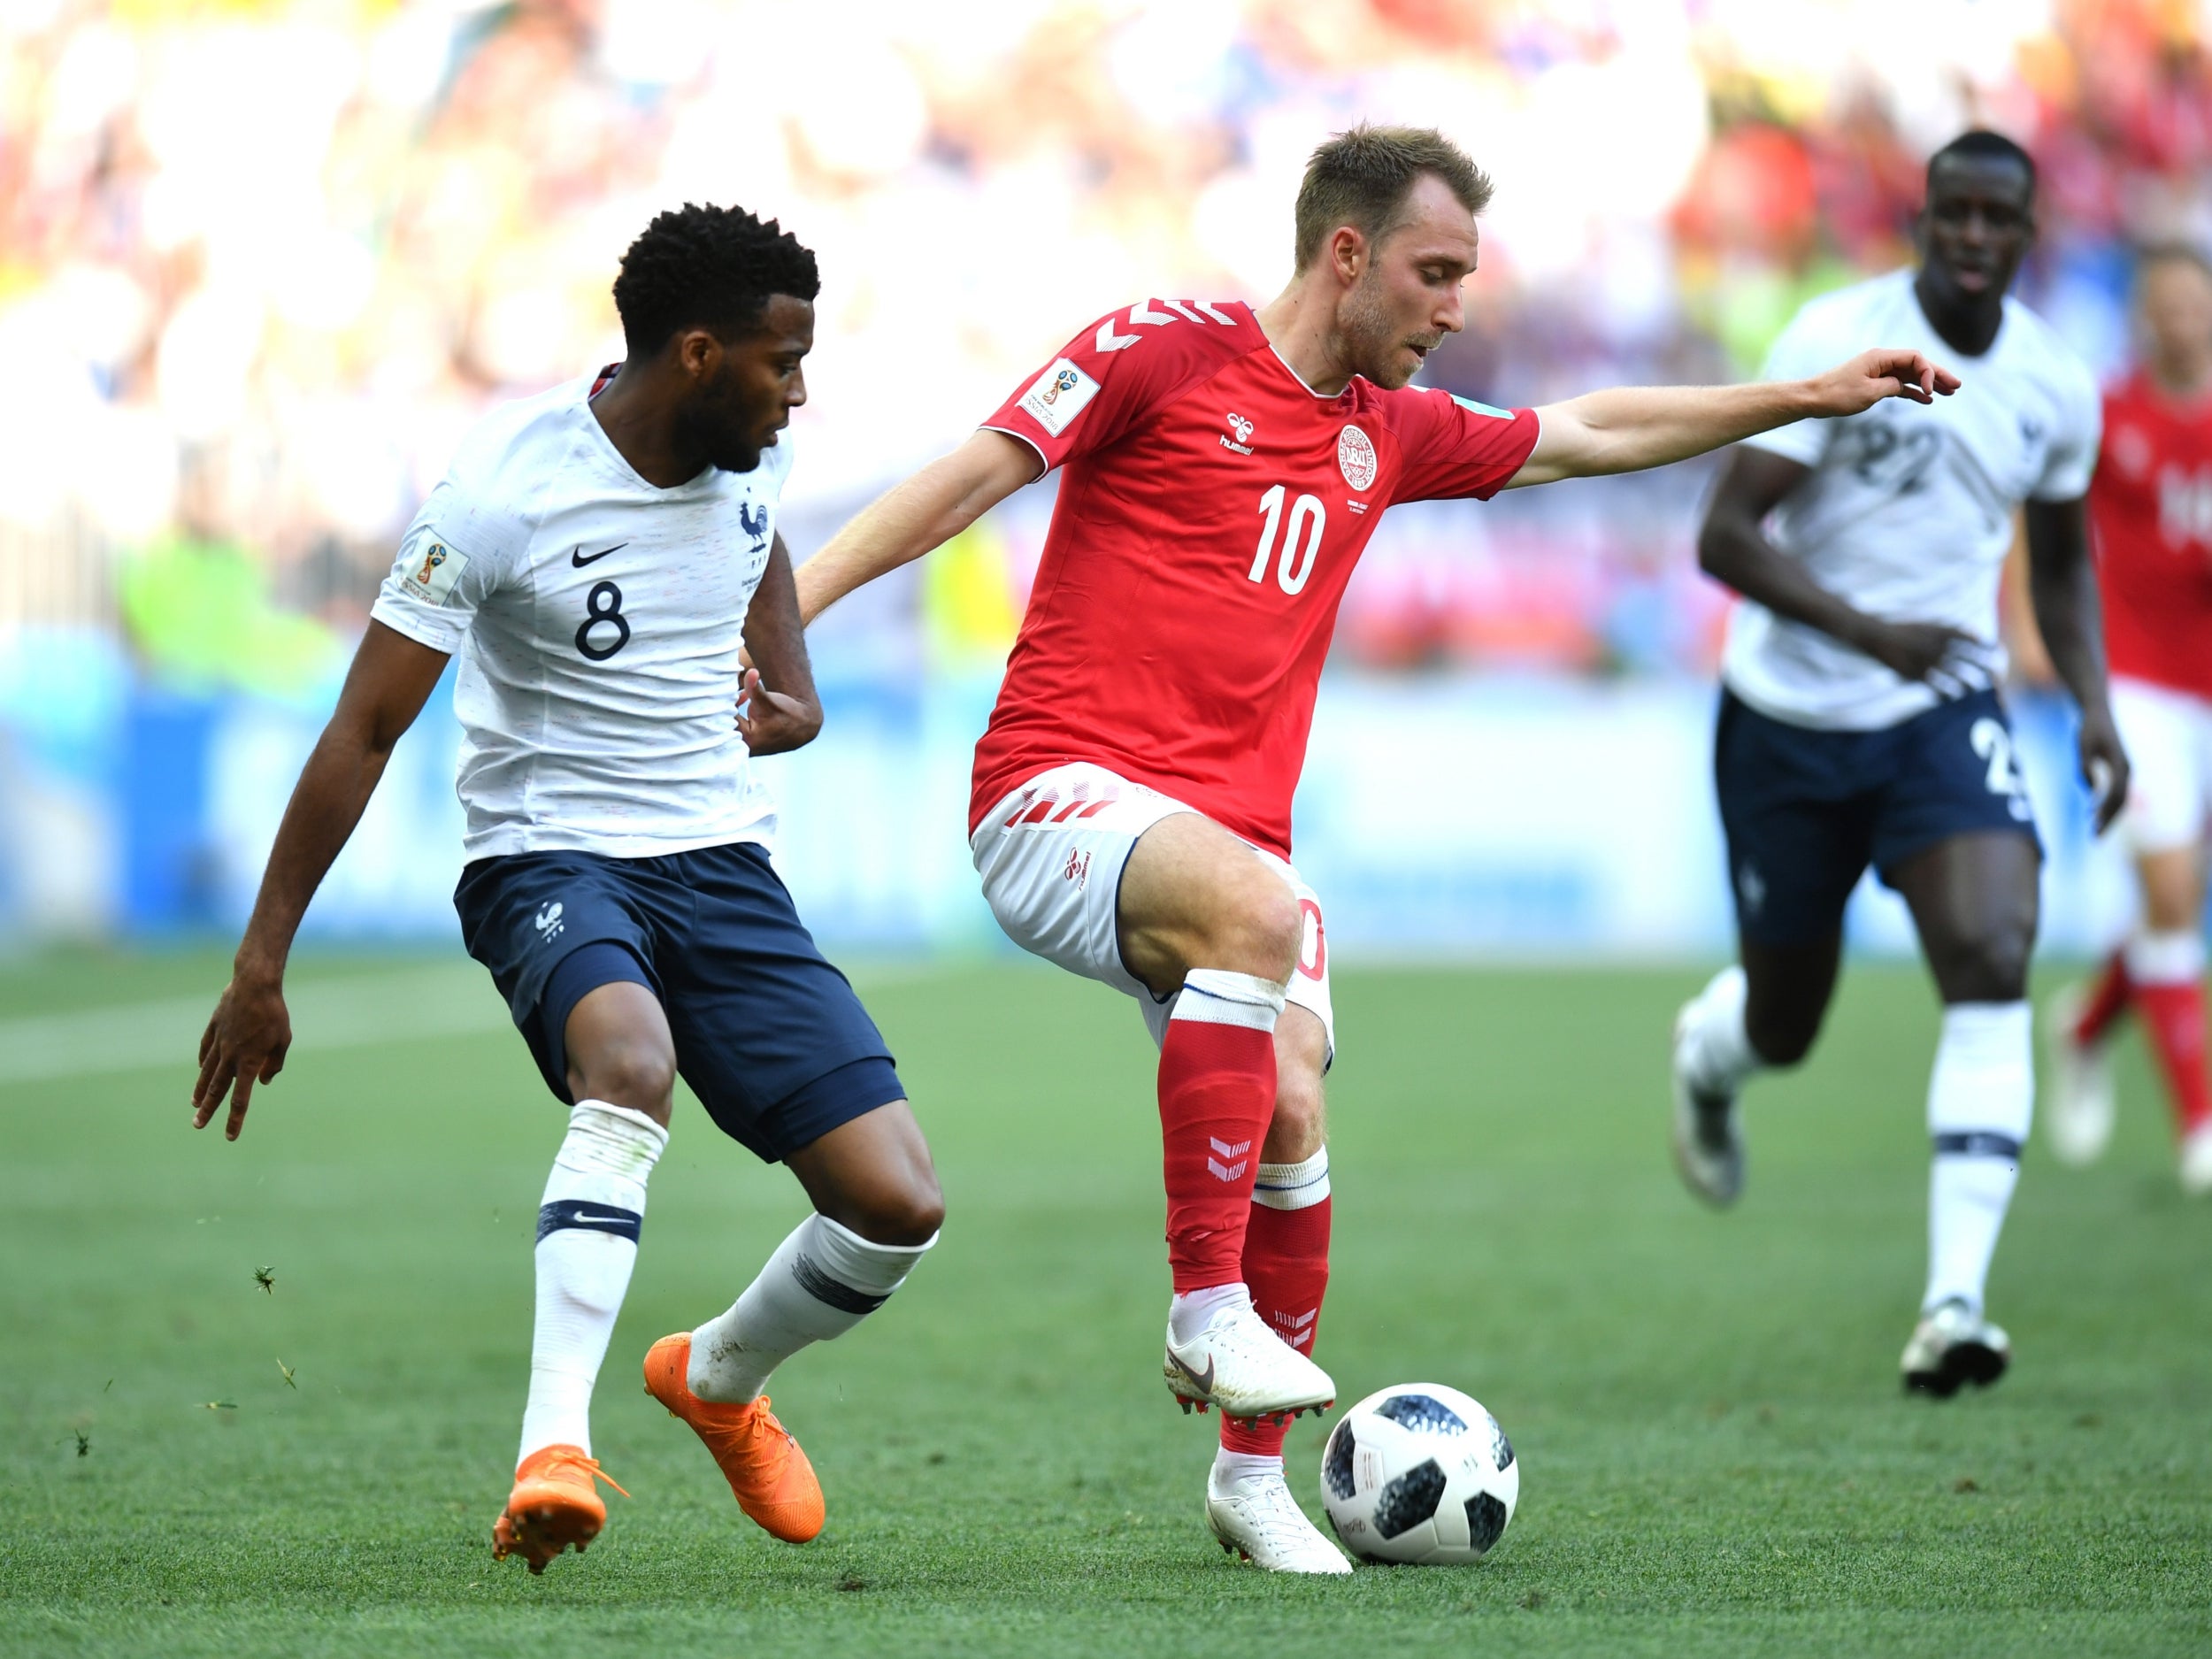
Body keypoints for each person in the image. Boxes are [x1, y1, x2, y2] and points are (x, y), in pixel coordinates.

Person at [795, 124, 1955, 1572]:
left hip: (1229, 849)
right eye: (1436, 272)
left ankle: (1249, 1482)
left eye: (1466, 276)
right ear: (1348, 254)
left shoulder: (1391, 433)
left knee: (1288, 1106)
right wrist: (795, 606)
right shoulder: (1162, 348)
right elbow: (975, 475)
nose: (1457, 307)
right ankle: (1205, 1308)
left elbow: (1594, 431)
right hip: (1056, 791)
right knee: (1263, 916)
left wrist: (1800, 395)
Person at [189, 204, 945, 1574]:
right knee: (629, 1061)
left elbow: (756, 542)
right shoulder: (500, 490)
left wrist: (798, 690)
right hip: (548, 854)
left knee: (896, 1204)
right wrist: (262, 963)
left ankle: (713, 1376)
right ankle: (553, 1443)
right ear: (700, 353)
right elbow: (362, 731)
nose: (800, 390)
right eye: (783, 363)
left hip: (722, 863)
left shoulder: (748, 459)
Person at [1671, 131, 2127, 1399]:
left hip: (1943, 704)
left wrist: (2093, 706)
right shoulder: (1838, 333)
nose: (1976, 236)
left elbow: (2063, 563)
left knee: (1992, 950)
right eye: (1956, 214)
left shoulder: (2052, 384)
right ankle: (1709, 1058)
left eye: (2001, 219)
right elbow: (1724, 533)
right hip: (1789, 717)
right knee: (1786, 1017)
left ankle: (1953, 1303)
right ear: (1920, 220)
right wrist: (1869, 631)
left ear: (2031, 235)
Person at [2046, 245, 2212, 1193]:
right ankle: (2197, 1128)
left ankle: (2082, 1028)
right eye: (2166, 305)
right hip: (2138, 683)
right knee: (2174, 891)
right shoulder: (2110, 417)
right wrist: (2030, 628)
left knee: (2174, 900)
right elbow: (2048, 522)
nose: (2181, 320)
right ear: (2144, 316)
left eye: (2195, 303)